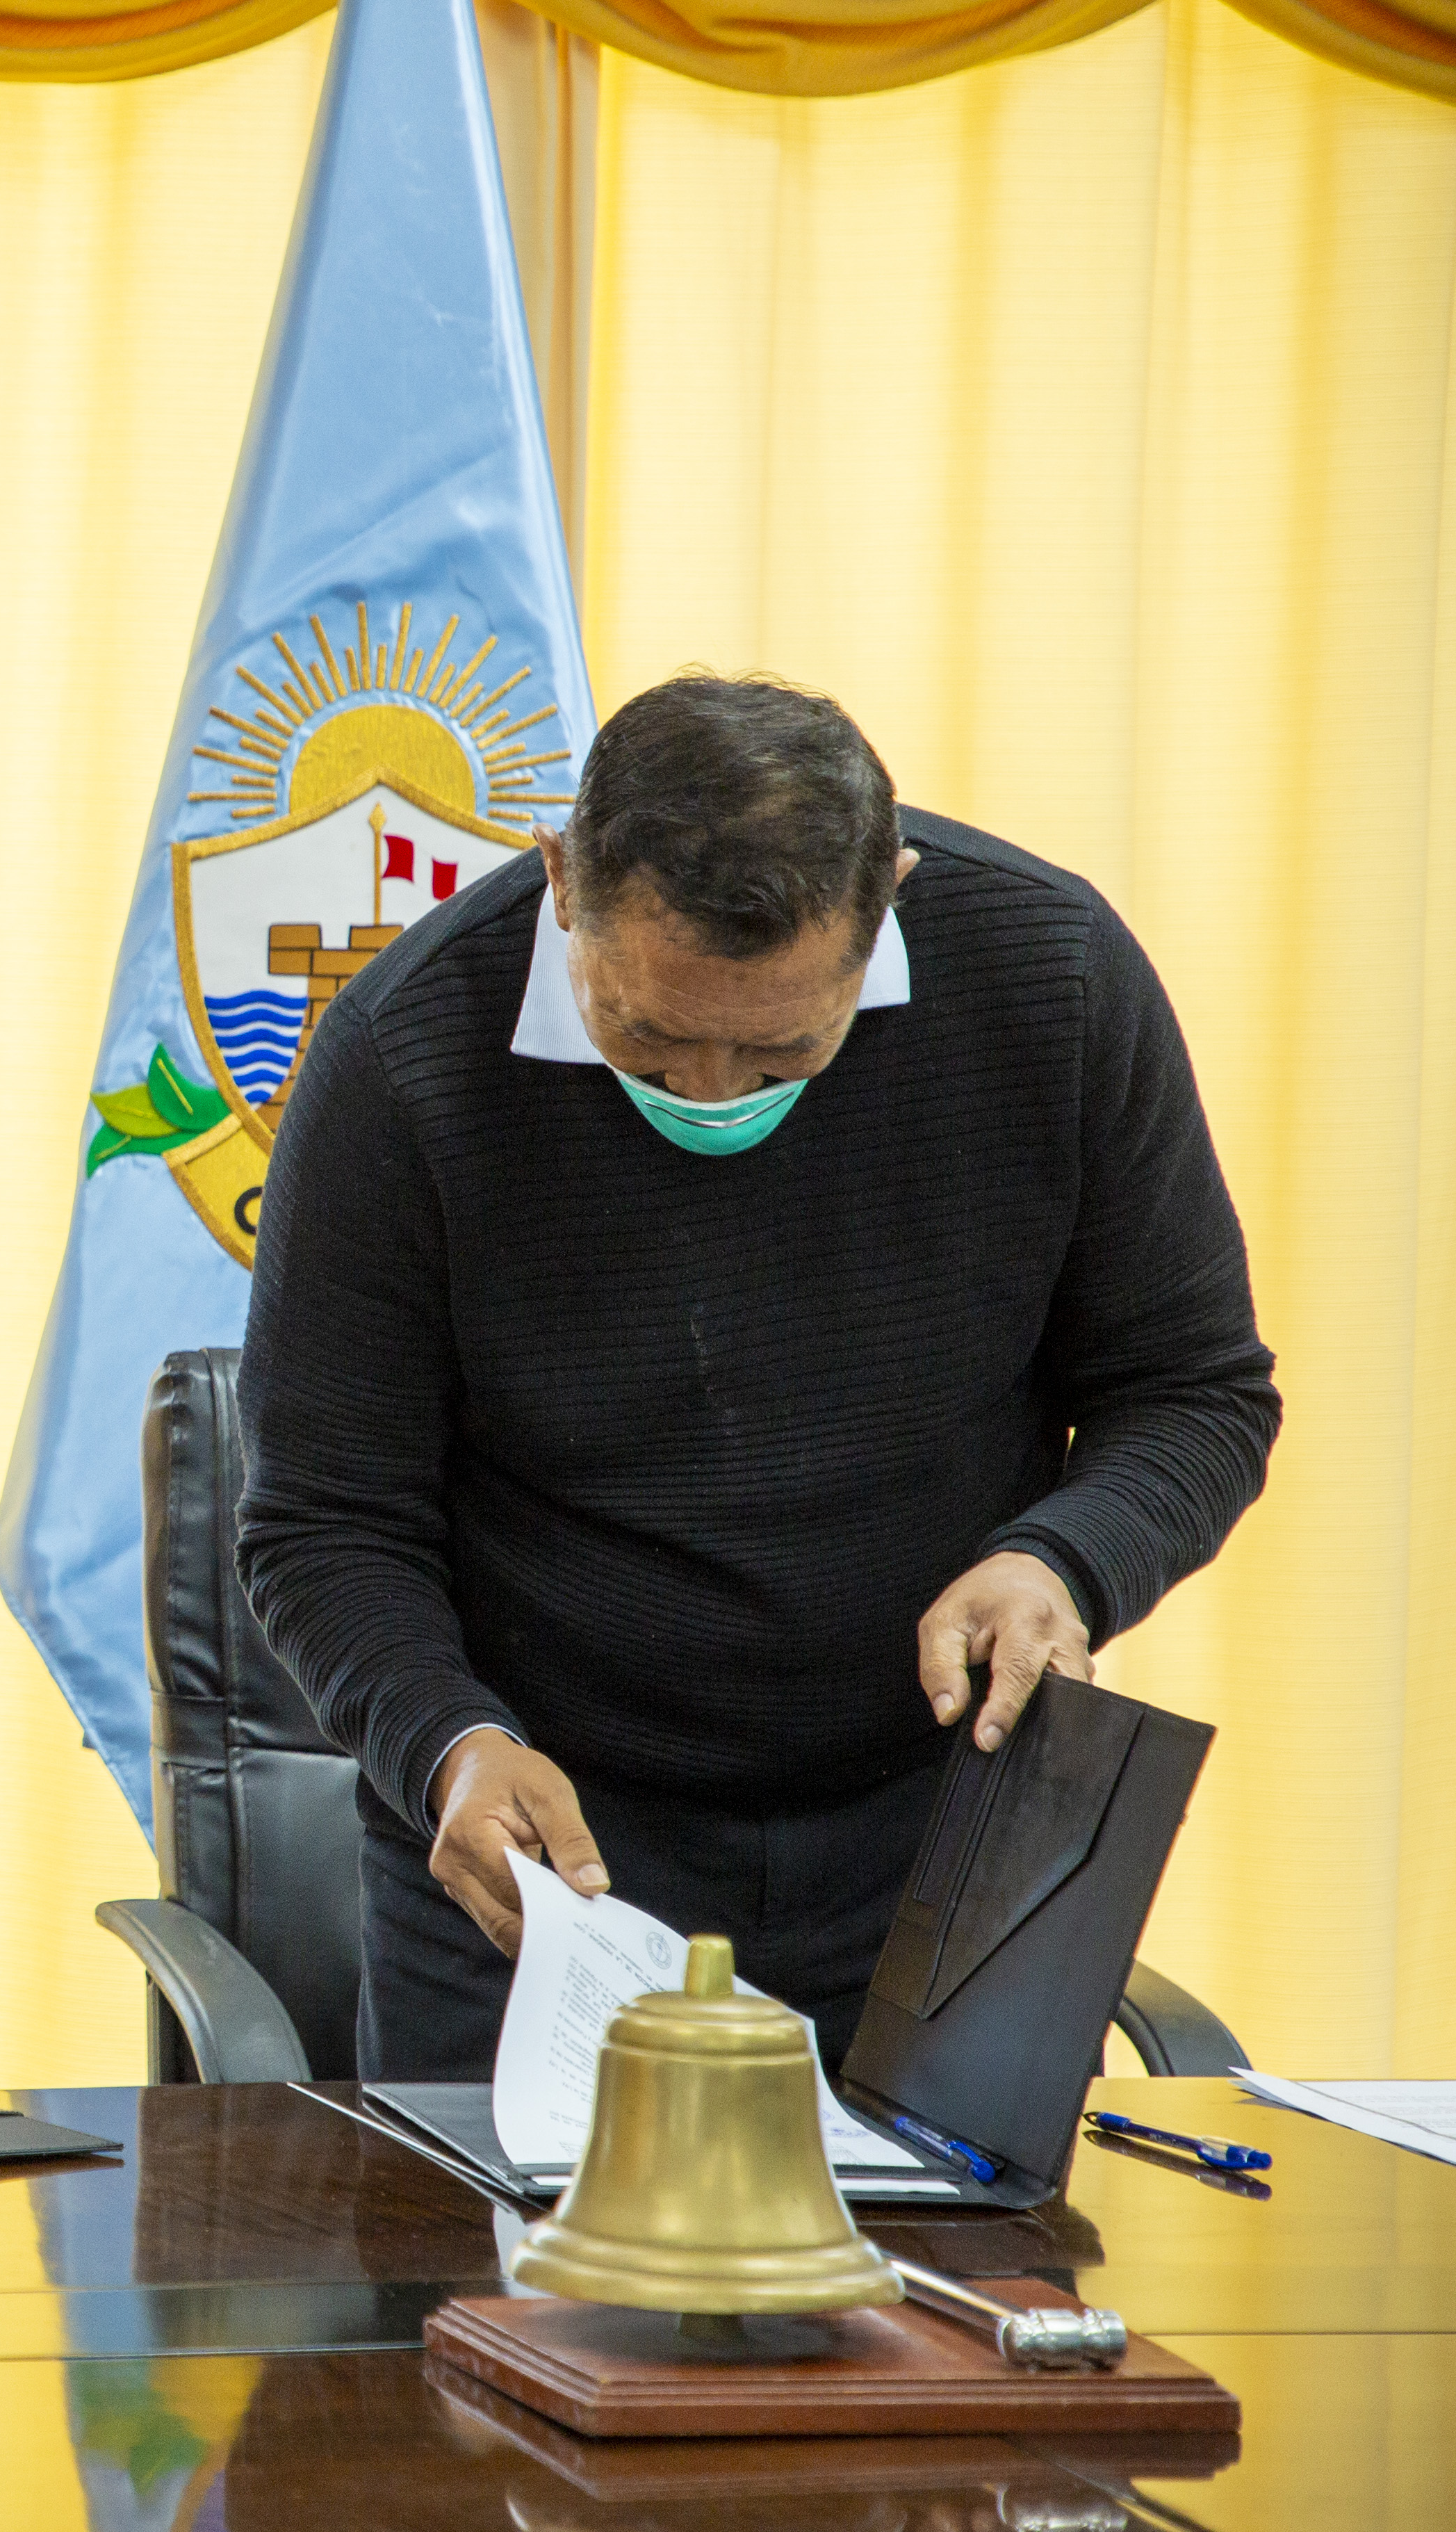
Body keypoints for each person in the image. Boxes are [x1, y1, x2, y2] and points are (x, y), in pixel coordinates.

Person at [234, 674, 1277, 2077]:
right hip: (552, 1857)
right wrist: (449, 1744)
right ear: (560, 880)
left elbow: (1197, 1391)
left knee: (966, 2293)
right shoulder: (403, 1054)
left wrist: (1064, 1566)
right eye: (650, 1032)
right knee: (500, 2292)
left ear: (889, 897)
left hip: (943, 1829)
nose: (714, 1091)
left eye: (785, 1044)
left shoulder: (1055, 980)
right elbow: (322, 1518)